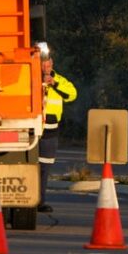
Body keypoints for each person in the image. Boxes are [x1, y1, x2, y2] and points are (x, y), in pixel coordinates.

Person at [37, 42, 77, 213]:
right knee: (32, 166)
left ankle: (40, 201)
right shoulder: (28, 78)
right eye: (43, 63)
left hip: (50, 129)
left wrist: (54, 84)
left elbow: (72, 94)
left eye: (49, 63)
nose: (47, 66)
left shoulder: (59, 79)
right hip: (32, 127)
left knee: (45, 168)